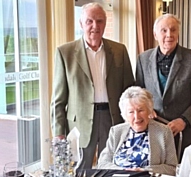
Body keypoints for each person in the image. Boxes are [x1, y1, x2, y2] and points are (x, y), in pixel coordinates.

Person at [50, 2, 134, 169]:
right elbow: (58, 100)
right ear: (81, 24)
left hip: (112, 118)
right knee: (80, 168)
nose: (95, 26)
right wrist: (58, 133)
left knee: (111, 166)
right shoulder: (65, 53)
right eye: (90, 21)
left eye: (100, 21)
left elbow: (129, 90)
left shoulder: (119, 51)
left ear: (105, 23)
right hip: (79, 122)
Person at [135, 13, 191, 163]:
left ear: (178, 33)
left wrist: (184, 120)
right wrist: (147, 109)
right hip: (152, 131)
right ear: (155, 34)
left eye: (173, 30)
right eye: (164, 30)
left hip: (184, 132)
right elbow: (138, 93)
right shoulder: (143, 59)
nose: (169, 35)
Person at [97, 86, 178, 176]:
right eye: (131, 112)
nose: (137, 117)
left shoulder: (163, 132)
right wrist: (124, 171)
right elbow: (102, 164)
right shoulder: (116, 131)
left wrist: (144, 170)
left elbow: (172, 168)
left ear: (149, 110)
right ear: (124, 114)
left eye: (141, 110)